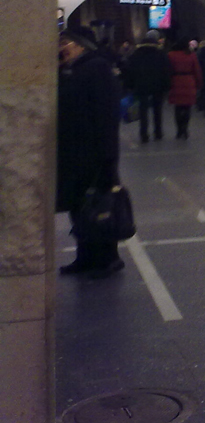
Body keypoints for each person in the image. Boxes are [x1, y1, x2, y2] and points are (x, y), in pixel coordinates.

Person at [57, 26, 124, 277]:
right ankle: (85, 257)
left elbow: (106, 115)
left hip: (94, 153)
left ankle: (108, 259)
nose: (62, 47)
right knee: (80, 207)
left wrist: (107, 157)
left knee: (100, 206)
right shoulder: (71, 69)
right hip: (75, 153)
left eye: (66, 42)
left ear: (82, 45)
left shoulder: (97, 68)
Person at [123, 29, 171, 142]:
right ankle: (158, 132)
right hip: (157, 85)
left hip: (141, 84)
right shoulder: (160, 53)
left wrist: (130, 84)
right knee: (157, 109)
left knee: (143, 109)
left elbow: (130, 70)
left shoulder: (137, 53)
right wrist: (167, 85)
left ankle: (143, 134)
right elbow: (166, 70)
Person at [167, 37, 202, 139]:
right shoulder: (191, 55)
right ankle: (185, 129)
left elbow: (168, 70)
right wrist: (199, 83)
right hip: (189, 81)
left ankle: (179, 130)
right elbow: (197, 70)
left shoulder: (171, 55)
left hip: (176, 81)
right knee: (187, 107)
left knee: (178, 108)